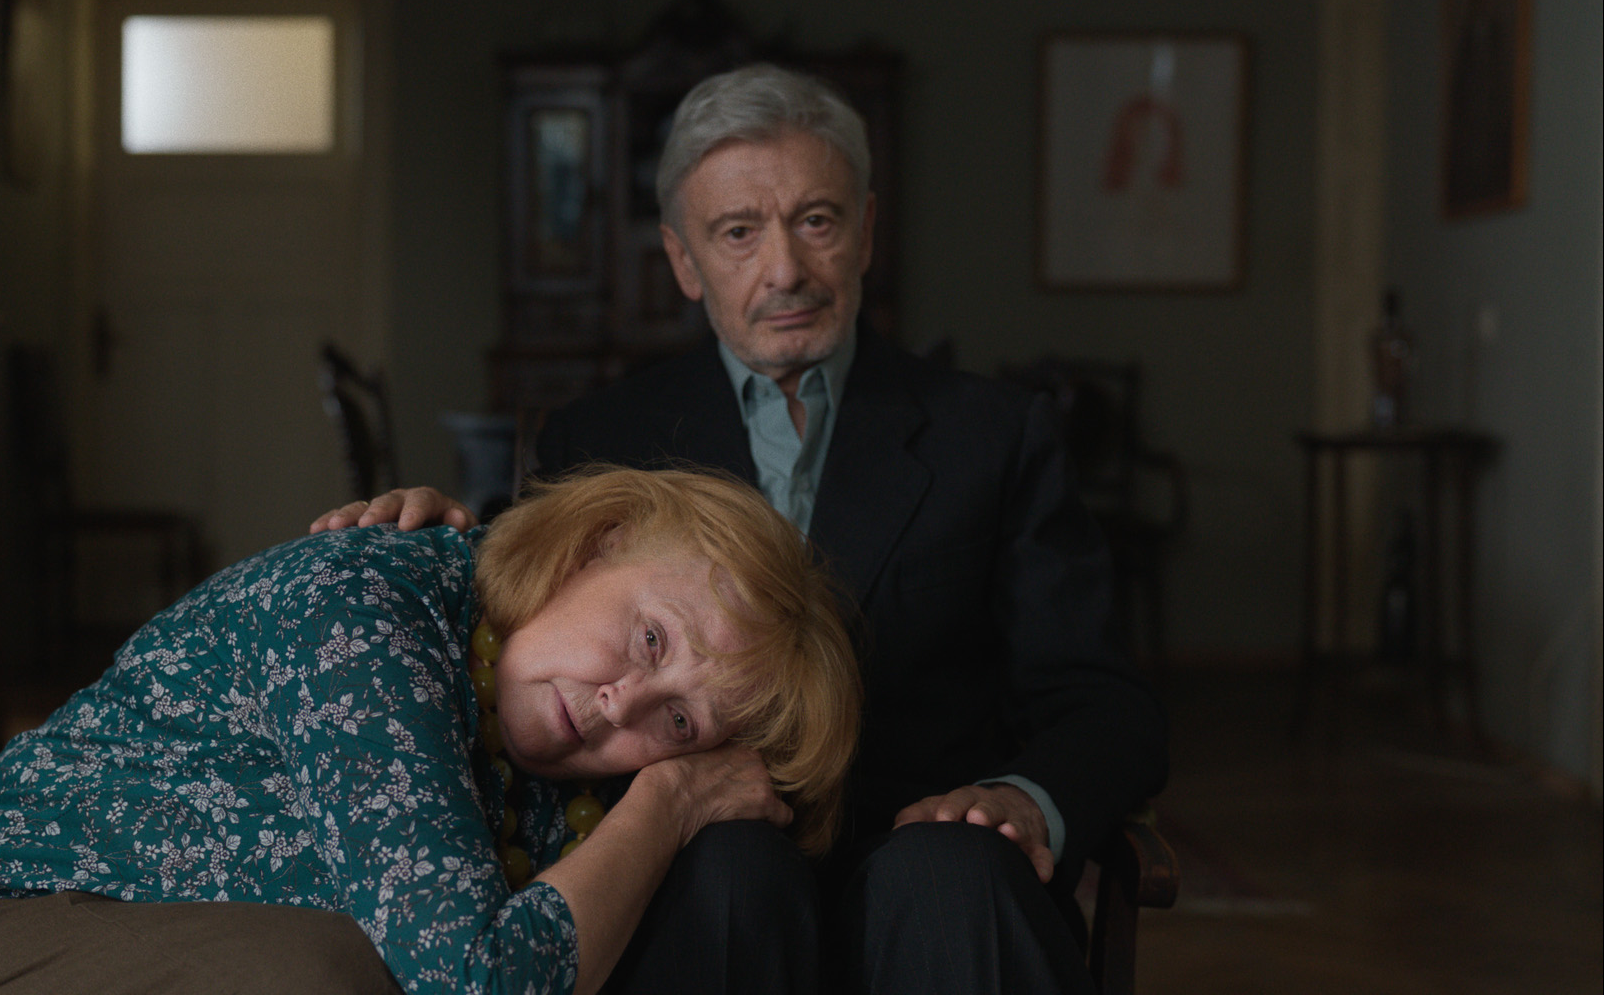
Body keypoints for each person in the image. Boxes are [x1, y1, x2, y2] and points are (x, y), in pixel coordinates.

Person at [315, 63, 1168, 994]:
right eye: (738, 232)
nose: (786, 270)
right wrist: (432, 537)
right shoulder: (599, 438)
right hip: (696, 873)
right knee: (723, 867)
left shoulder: (995, 435)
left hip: (930, 862)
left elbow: (1103, 703)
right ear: (684, 260)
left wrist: (1021, 801)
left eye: (817, 221)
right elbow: (515, 627)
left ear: (866, 231)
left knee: (948, 874)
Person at [0, 466, 861, 995]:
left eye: (679, 722)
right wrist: (671, 799)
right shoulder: (361, 606)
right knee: (327, 977)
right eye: (648, 638)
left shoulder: (569, 781)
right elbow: (478, 984)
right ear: (594, 545)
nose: (620, 704)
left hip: (192, 948)